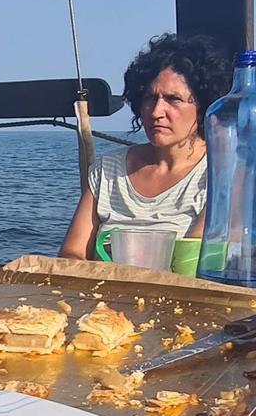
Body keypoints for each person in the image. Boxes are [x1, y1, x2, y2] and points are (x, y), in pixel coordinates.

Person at [59, 33, 232, 259]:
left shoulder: (220, 177)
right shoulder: (108, 170)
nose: (156, 112)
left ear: (204, 106)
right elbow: (72, 253)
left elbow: (193, 264)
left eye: (173, 99)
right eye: (149, 98)